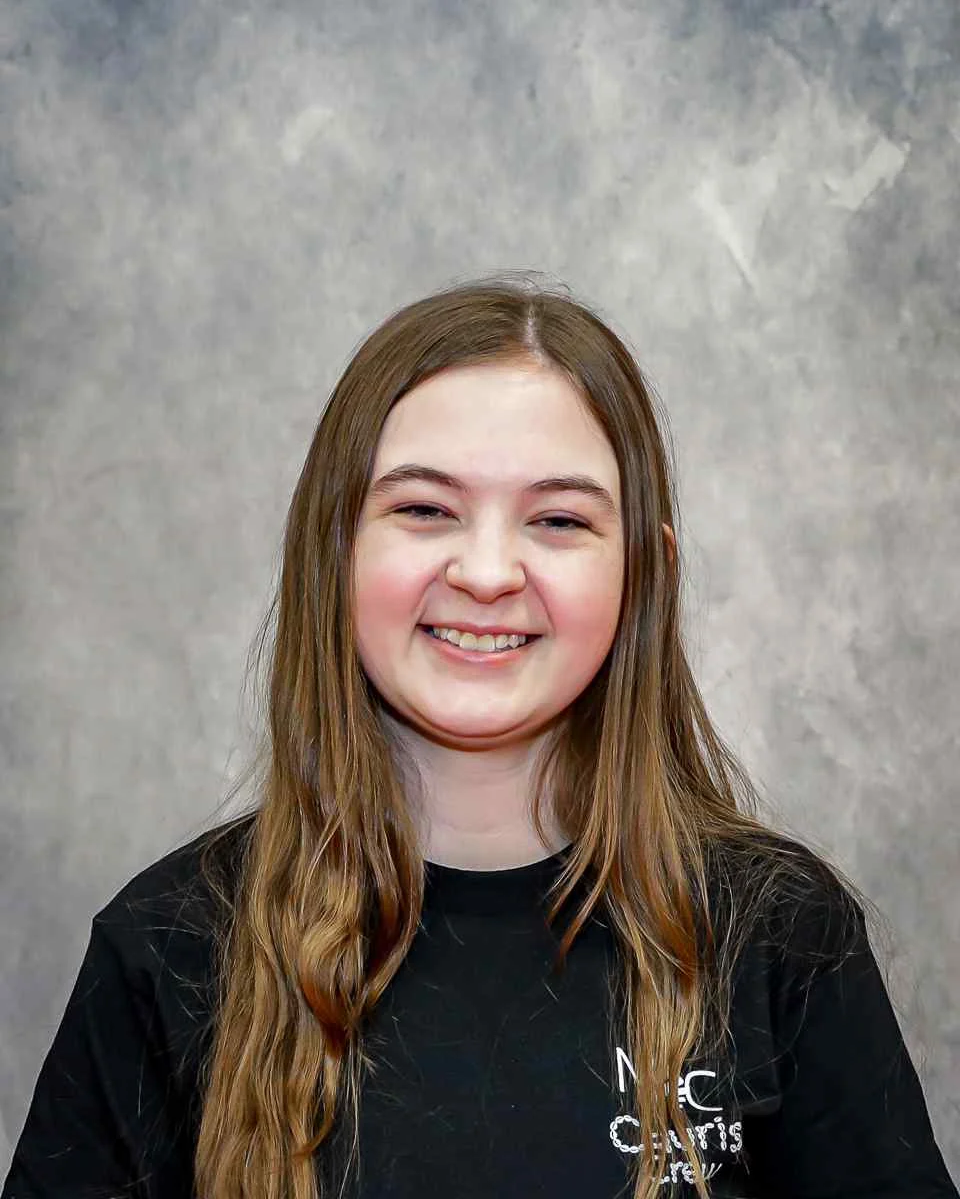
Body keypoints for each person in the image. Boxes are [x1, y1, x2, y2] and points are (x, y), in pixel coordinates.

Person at [2, 273, 956, 1199]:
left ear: (647, 574)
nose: (489, 572)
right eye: (424, 509)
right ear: (332, 548)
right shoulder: (170, 947)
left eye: (559, 519)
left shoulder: (781, 936)